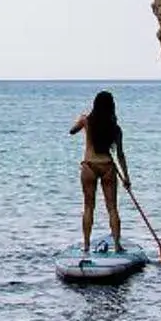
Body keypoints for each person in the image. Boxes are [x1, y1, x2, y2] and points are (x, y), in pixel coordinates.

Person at [68, 90, 129, 252]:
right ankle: (117, 245)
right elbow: (121, 155)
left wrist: (80, 119)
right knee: (112, 208)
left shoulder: (86, 121)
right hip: (108, 166)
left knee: (88, 207)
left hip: (89, 166)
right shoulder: (115, 128)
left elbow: (72, 131)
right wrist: (126, 178)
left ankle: (86, 246)